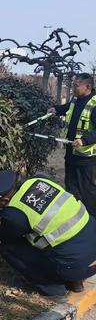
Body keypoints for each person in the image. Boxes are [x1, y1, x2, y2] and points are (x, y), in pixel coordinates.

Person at [0, 170, 96, 302]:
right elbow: (37, 209)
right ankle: (75, 282)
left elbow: (0, 234)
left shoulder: (15, 218)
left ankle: (53, 289)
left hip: (74, 267)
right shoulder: (40, 180)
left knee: (9, 248)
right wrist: (1, 216)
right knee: (68, 242)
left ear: (4, 200)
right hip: (91, 251)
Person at [48, 73, 96, 216]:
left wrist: (84, 140)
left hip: (86, 159)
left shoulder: (94, 103)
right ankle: (73, 217)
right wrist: (56, 109)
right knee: (71, 189)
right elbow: (68, 108)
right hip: (71, 155)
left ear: (87, 86)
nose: (73, 88)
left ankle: (91, 221)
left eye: (76, 85)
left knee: (87, 192)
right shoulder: (76, 100)